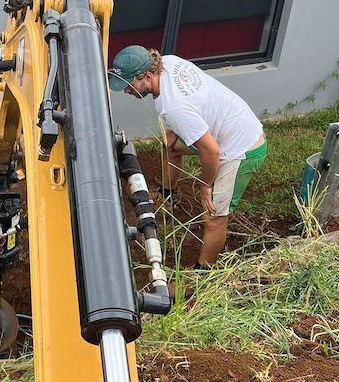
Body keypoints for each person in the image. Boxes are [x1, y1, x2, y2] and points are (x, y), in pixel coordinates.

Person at [109, 45, 267, 267]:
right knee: (171, 145)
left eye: (129, 85)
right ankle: (167, 195)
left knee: (213, 217)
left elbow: (211, 151)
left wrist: (206, 185)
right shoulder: (168, 62)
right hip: (226, 126)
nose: (126, 91)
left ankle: (202, 274)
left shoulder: (174, 107)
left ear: (147, 76)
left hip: (242, 148)